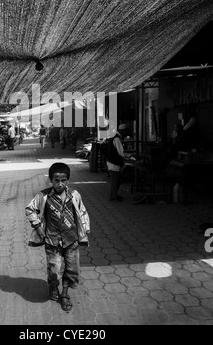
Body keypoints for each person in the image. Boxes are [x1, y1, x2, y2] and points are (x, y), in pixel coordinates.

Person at [25, 162, 90, 312]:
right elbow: (30, 209)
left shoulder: (74, 195)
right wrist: (37, 227)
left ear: (68, 180)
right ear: (51, 180)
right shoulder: (43, 196)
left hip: (71, 240)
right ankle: (53, 286)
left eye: (63, 180)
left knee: (71, 269)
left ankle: (65, 294)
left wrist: (85, 228)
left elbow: (82, 212)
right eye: (56, 180)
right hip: (52, 240)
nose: (60, 184)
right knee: (54, 269)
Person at [106, 124, 134, 201]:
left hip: (112, 162)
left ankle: (114, 195)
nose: (126, 133)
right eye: (126, 131)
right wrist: (130, 156)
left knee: (116, 180)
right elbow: (121, 152)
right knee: (115, 181)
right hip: (114, 163)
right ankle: (113, 196)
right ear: (123, 131)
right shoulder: (117, 139)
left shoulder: (114, 137)